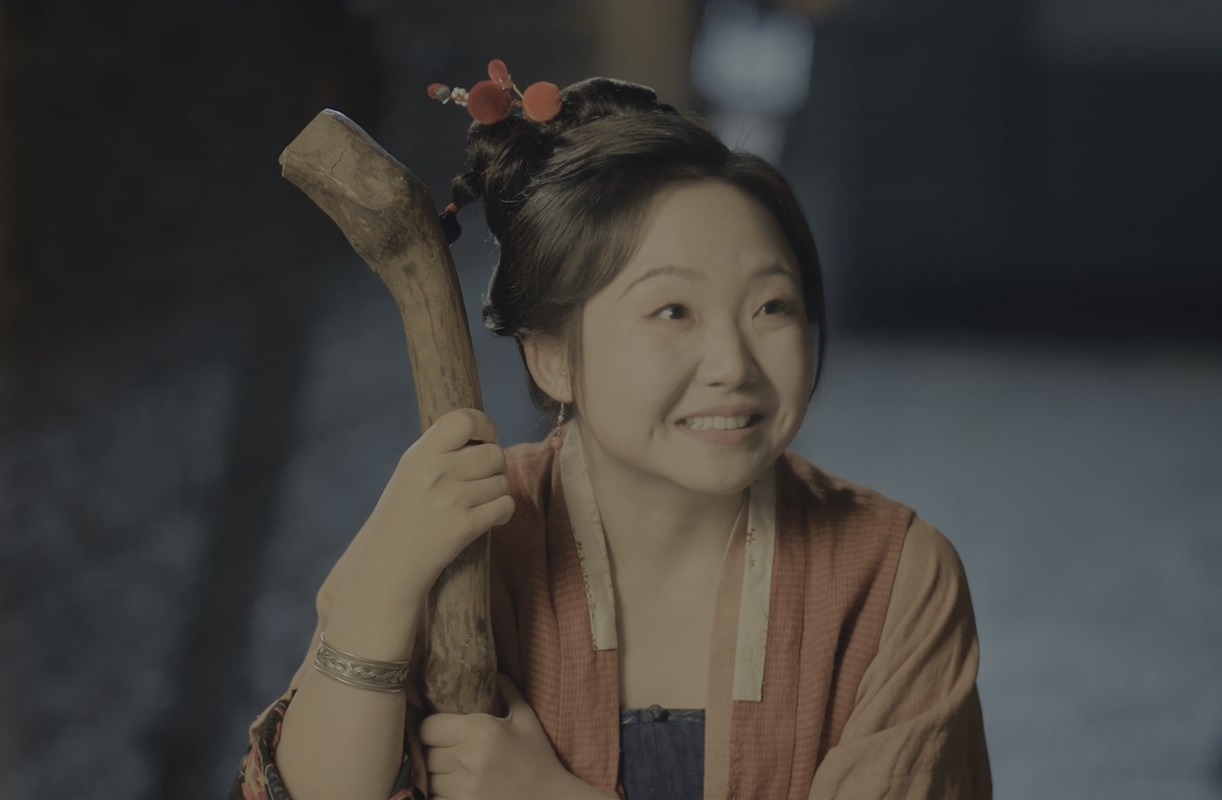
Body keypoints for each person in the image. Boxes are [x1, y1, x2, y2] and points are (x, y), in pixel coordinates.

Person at [230, 68, 992, 800]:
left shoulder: (892, 575)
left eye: (772, 307)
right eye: (674, 312)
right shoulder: (452, 535)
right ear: (553, 358)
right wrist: (384, 582)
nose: (733, 365)